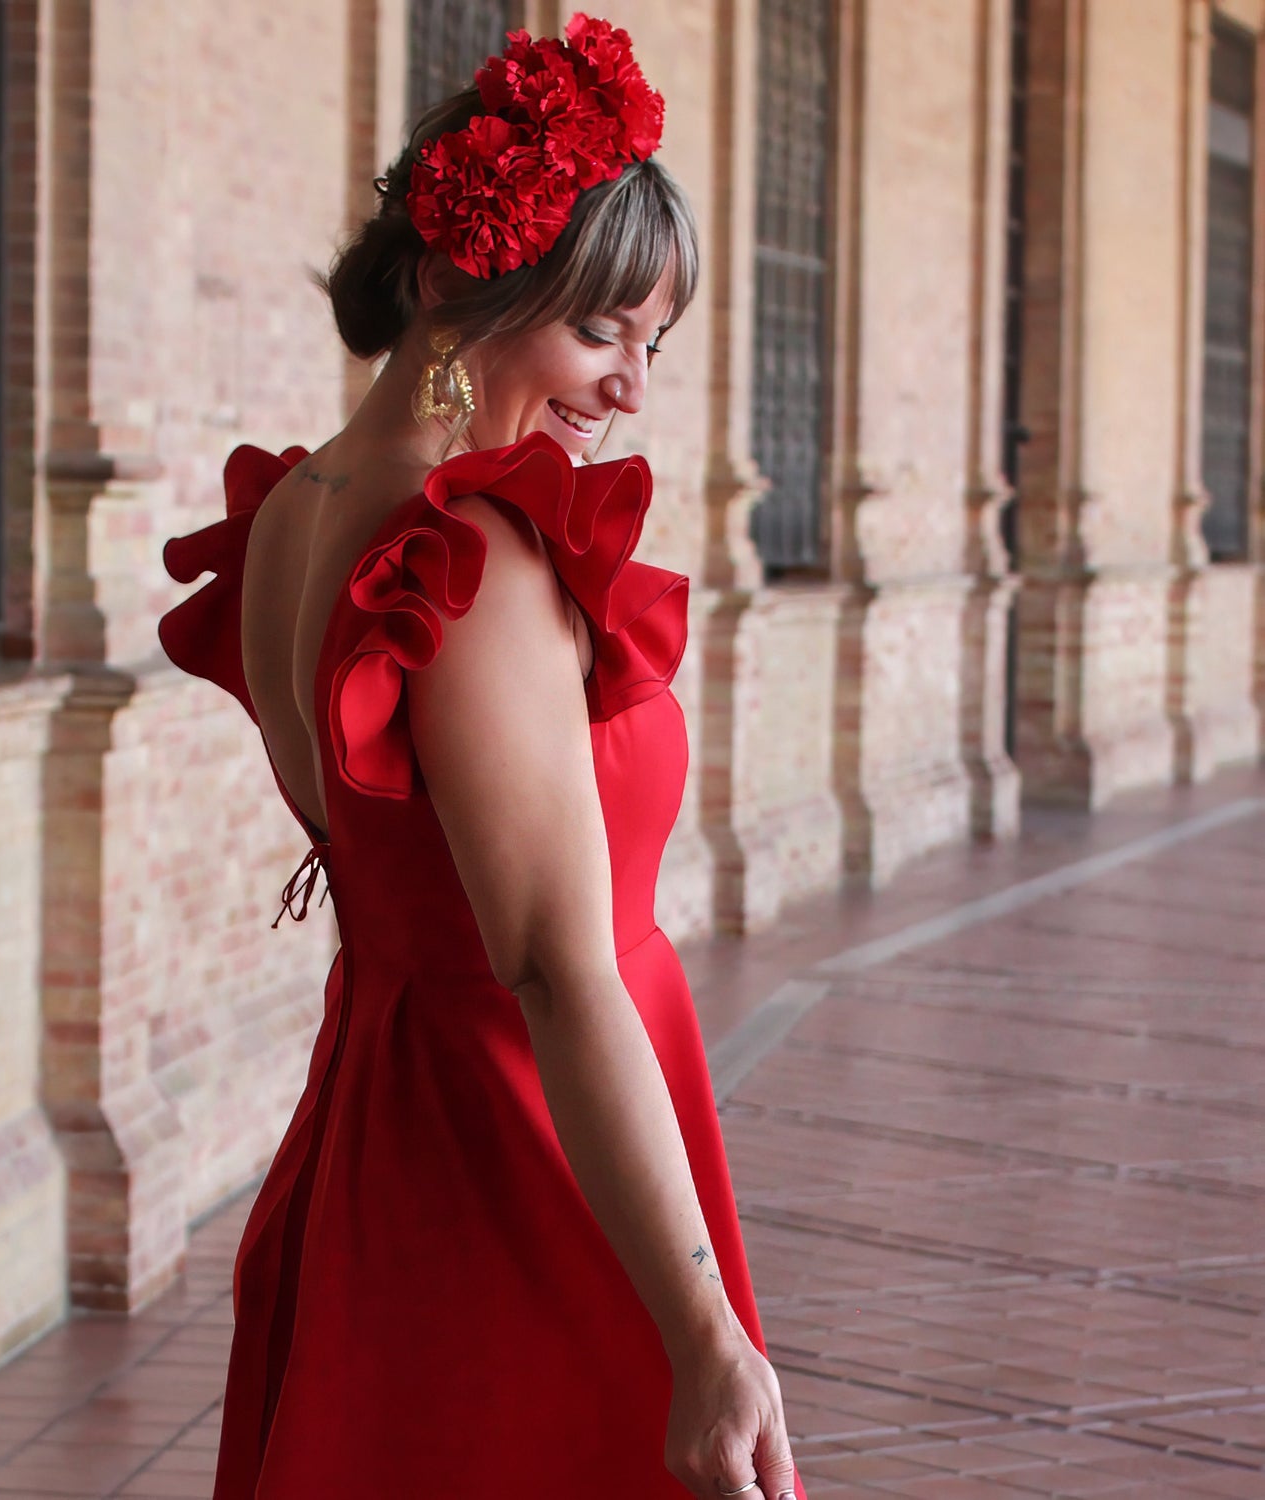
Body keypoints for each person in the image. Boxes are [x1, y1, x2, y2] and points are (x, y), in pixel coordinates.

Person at [160, 16, 804, 1499]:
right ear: (463, 280)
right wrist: (706, 1333)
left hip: (381, 1126)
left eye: (654, 343)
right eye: (602, 333)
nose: (633, 388)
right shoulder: (471, 565)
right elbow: (562, 972)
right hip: (528, 1161)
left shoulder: (293, 515)